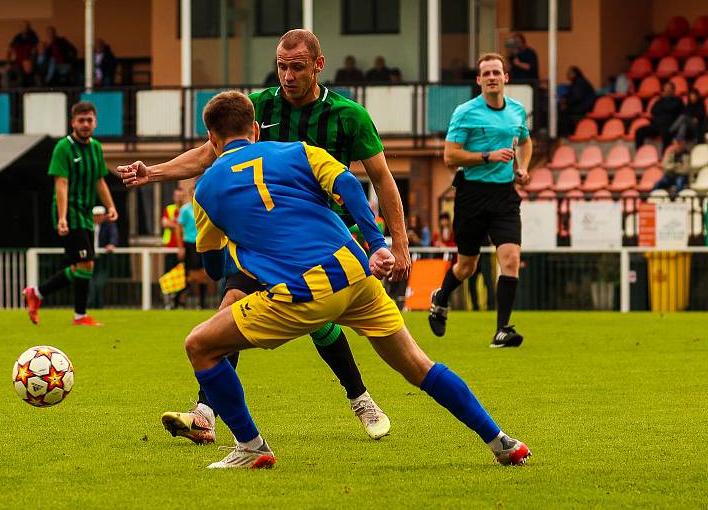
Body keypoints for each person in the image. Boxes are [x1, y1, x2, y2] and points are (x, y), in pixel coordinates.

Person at [180, 90, 531, 469]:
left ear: (212, 138)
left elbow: (215, 269)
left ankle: (251, 446)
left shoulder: (205, 190)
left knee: (200, 345)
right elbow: (348, 183)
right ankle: (502, 441)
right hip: (354, 270)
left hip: (302, 291)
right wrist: (378, 243)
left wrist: (239, 241)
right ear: (254, 129)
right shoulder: (298, 150)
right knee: (418, 365)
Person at [117, 29, 410, 443]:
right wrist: (154, 173)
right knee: (230, 305)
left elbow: (382, 179)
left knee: (320, 323)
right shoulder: (259, 107)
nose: (287, 76)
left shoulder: (349, 116)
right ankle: (205, 413)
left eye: (297, 67)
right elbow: (209, 154)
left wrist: (397, 243)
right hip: (264, 238)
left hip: (325, 239)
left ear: (318, 66)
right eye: (281, 66)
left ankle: (359, 396)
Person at [428, 53, 532, 348]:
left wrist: (522, 168)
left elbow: (524, 141)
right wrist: (487, 156)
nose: (491, 77)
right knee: (467, 267)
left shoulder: (516, 111)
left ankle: (502, 330)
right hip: (471, 195)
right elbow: (450, 157)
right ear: (479, 80)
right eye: (485, 73)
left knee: (510, 259)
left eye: (496, 72)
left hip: (504, 195)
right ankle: (441, 297)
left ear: (505, 78)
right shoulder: (465, 112)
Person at [23, 101, 118, 326]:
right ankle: (79, 316)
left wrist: (111, 206)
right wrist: (63, 217)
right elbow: (61, 183)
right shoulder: (63, 148)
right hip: (70, 213)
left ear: (95, 122)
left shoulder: (95, 147)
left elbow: (99, 180)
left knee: (80, 266)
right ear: (72, 122)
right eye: (81, 120)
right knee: (86, 264)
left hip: (85, 213)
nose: (85, 124)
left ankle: (36, 293)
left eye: (89, 120)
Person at [178, 186, 210, 309]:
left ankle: (202, 303)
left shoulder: (204, 208)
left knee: (204, 272)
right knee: (190, 273)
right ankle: (181, 300)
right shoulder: (185, 210)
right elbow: (179, 227)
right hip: (190, 243)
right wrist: (180, 247)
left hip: (202, 243)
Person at [634, 81, 684, 149]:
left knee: (666, 134)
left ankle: (664, 156)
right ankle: (639, 152)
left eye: (668, 89)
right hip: (656, 126)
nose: (666, 90)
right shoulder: (660, 100)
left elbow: (671, 109)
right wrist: (664, 105)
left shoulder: (678, 100)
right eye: (665, 88)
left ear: (673, 90)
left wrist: (663, 106)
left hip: (669, 127)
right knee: (639, 131)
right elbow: (653, 110)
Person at [88, 205, 119, 309]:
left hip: (102, 259)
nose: (97, 218)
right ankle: (90, 306)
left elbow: (114, 236)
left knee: (99, 283)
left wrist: (112, 244)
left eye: (99, 215)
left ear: (104, 216)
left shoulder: (109, 225)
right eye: (95, 216)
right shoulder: (88, 225)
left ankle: (99, 306)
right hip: (90, 259)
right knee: (90, 283)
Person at [161, 187, 186, 309]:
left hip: (184, 247)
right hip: (170, 248)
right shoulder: (170, 209)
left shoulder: (187, 209)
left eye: (181, 195)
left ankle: (179, 302)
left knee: (183, 276)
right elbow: (164, 223)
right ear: (173, 197)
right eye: (177, 195)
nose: (179, 198)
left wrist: (174, 224)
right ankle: (169, 302)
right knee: (169, 275)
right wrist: (178, 226)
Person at [558, 66, 596, 137]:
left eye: (569, 73)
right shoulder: (578, 81)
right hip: (583, 105)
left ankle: (566, 135)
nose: (567, 75)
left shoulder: (579, 82)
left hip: (585, 107)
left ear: (574, 73)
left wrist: (566, 102)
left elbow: (576, 97)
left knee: (563, 112)